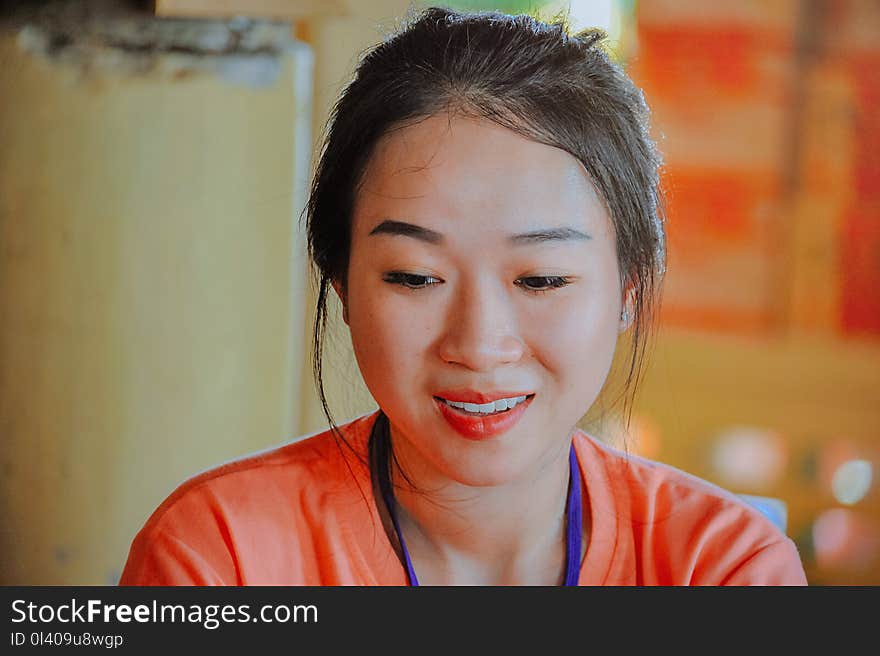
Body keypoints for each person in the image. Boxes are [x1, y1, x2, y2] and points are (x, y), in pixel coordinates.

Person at [120, 6, 807, 586]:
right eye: (416, 277)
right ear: (343, 281)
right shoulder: (223, 557)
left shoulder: (722, 568)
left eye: (540, 279)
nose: (479, 344)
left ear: (629, 287)